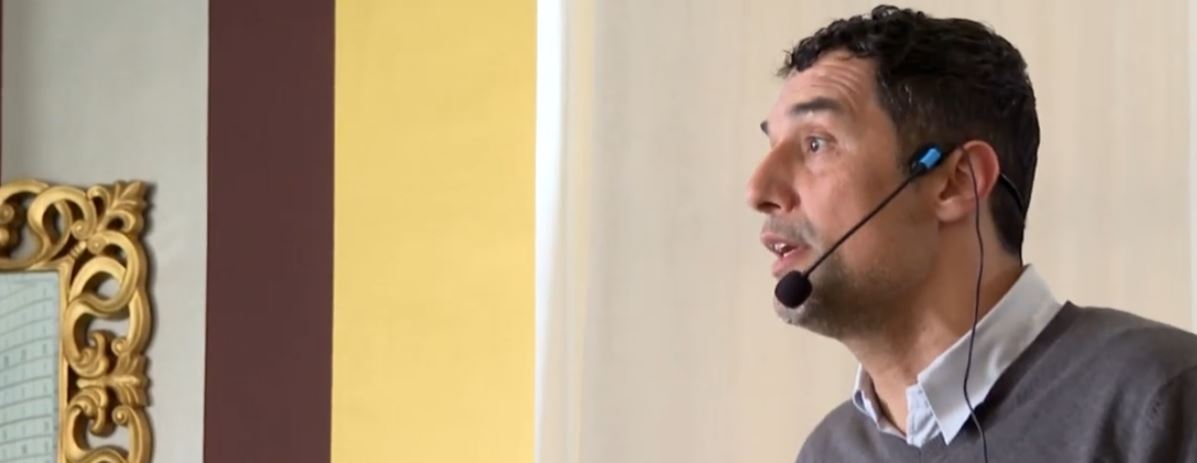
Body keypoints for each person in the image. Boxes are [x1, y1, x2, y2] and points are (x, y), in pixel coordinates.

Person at [747, 5, 1197, 462]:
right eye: (772, 145)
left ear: (956, 182)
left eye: (816, 143)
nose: (757, 191)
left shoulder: (1162, 397)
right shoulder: (828, 452)